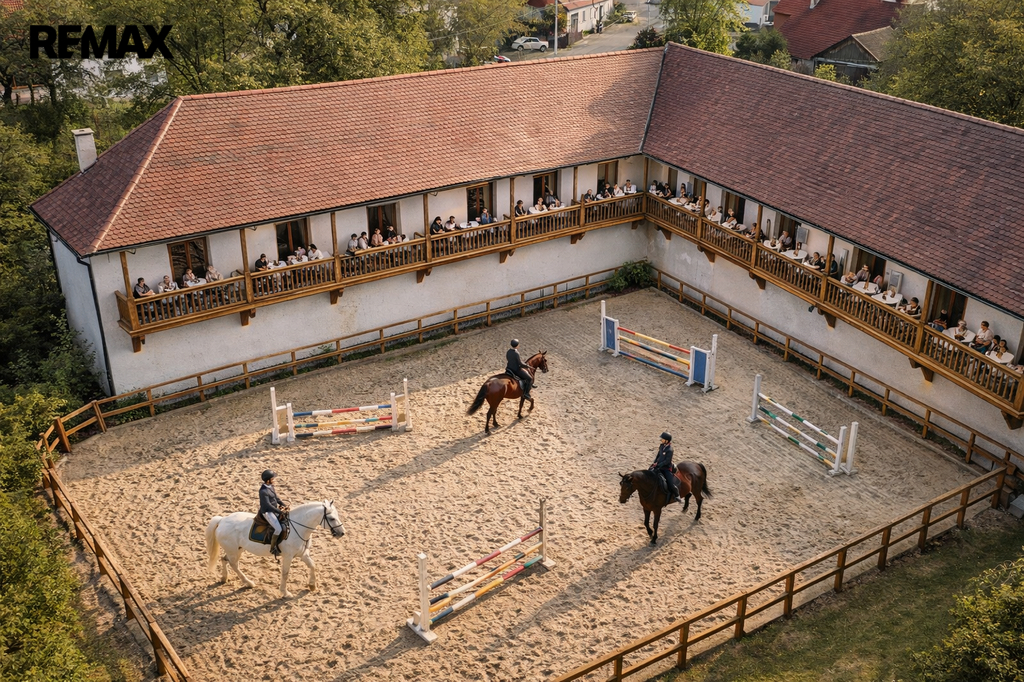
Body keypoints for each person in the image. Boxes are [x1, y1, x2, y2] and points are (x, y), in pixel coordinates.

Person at [259, 470, 289, 557]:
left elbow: (276, 498)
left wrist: (284, 505)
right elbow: (268, 505)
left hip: (274, 510)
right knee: (278, 529)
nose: (274, 480)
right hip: (268, 512)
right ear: (268, 480)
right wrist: (279, 511)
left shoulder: (271, 487)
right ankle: (273, 548)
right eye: (272, 479)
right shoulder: (263, 491)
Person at [650, 432, 681, 504]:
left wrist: (659, 465)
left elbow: (667, 461)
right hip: (658, 466)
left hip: (666, 468)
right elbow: (658, 455)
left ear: (667, 440)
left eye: (662, 439)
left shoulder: (670, 450)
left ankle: (677, 496)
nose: (661, 440)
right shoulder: (661, 446)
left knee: (671, 483)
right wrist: (655, 462)